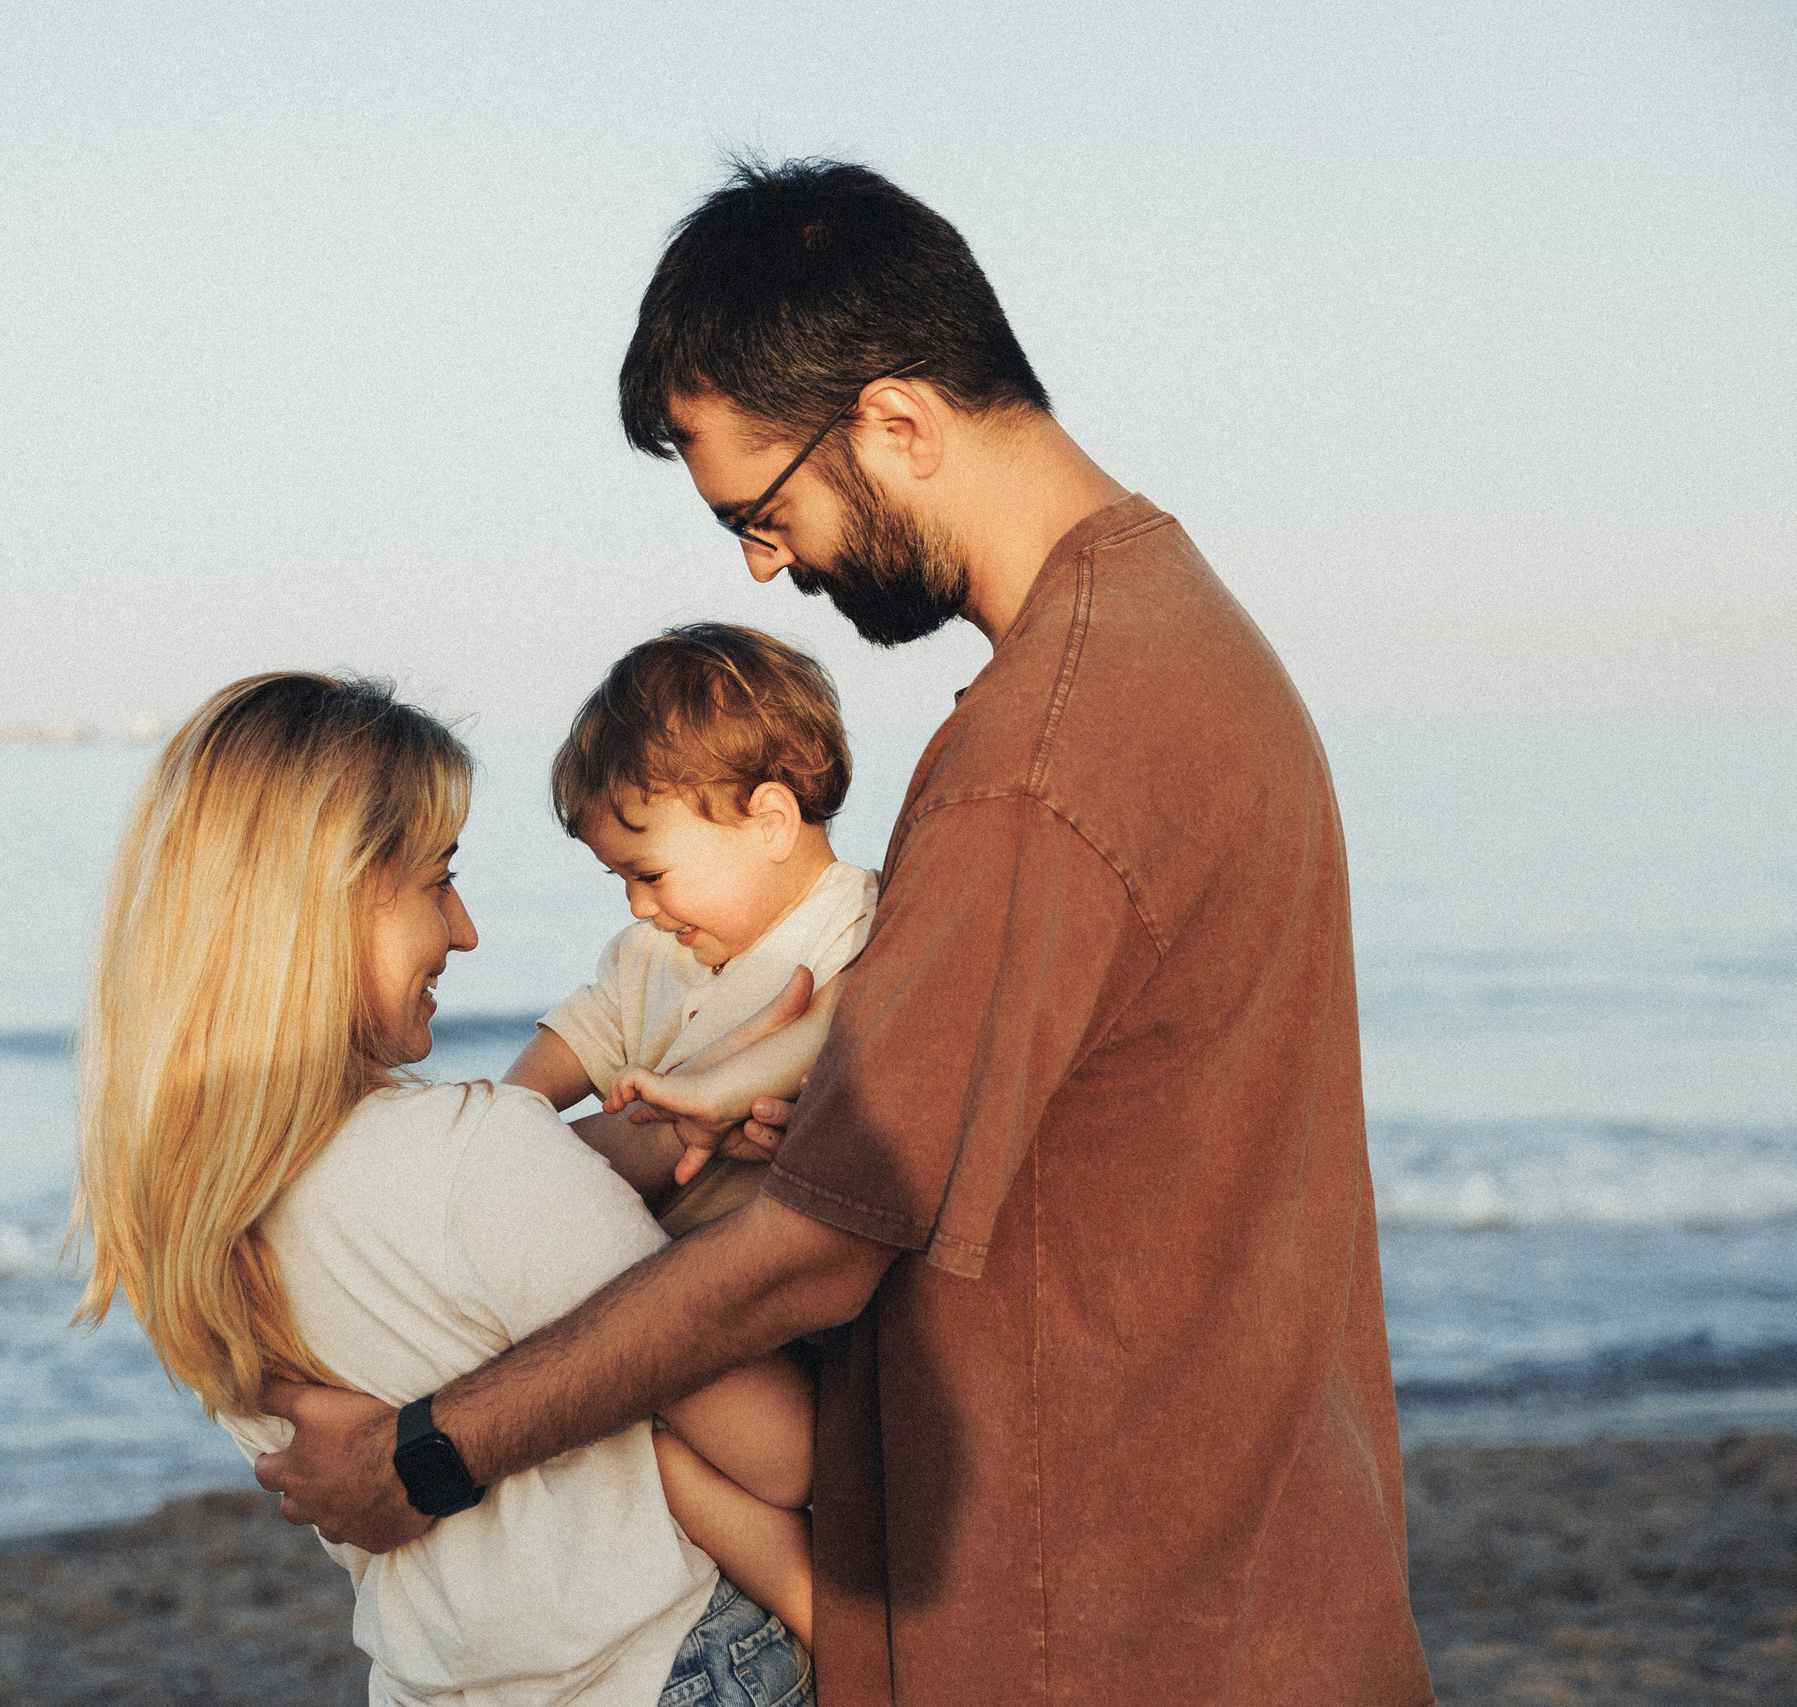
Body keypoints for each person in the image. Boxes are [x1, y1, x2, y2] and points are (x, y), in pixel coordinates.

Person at [254, 159, 1438, 1705]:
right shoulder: (1172, 638)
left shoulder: (1048, 752)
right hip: (1250, 1575)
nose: (763, 562)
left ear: (895, 421)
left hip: (1102, 1626)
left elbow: (813, 1253)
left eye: (765, 506)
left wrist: (429, 1451)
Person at [71, 671, 817, 1705]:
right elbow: (783, 1457)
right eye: (435, 881)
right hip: (669, 1667)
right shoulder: (476, 1157)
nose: (463, 931)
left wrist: (669, 1122)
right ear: (324, 901)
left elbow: (448, 1239)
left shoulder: (175, 1218)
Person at [504, 622, 878, 1239]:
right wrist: (504, 1117)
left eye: (648, 874)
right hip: (640, 1255)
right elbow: (572, 1046)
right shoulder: (647, 954)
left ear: (770, 823)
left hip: (766, 1265)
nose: (637, 906)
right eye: (618, 878)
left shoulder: (857, 919)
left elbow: (854, 1017)